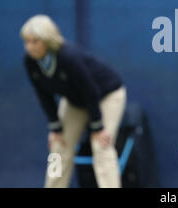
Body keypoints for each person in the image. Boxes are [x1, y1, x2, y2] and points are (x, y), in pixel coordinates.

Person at [20, 15, 126, 188]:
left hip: (108, 95)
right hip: (76, 101)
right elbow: (43, 94)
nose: (29, 47)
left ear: (47, 40)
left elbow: (90, 90)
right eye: (27, 41)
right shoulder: (30, 61)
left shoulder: (68, 57)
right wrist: (55, 127)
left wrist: (97, 127)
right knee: (58, 146)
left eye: (35, 41)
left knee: (101, 145)